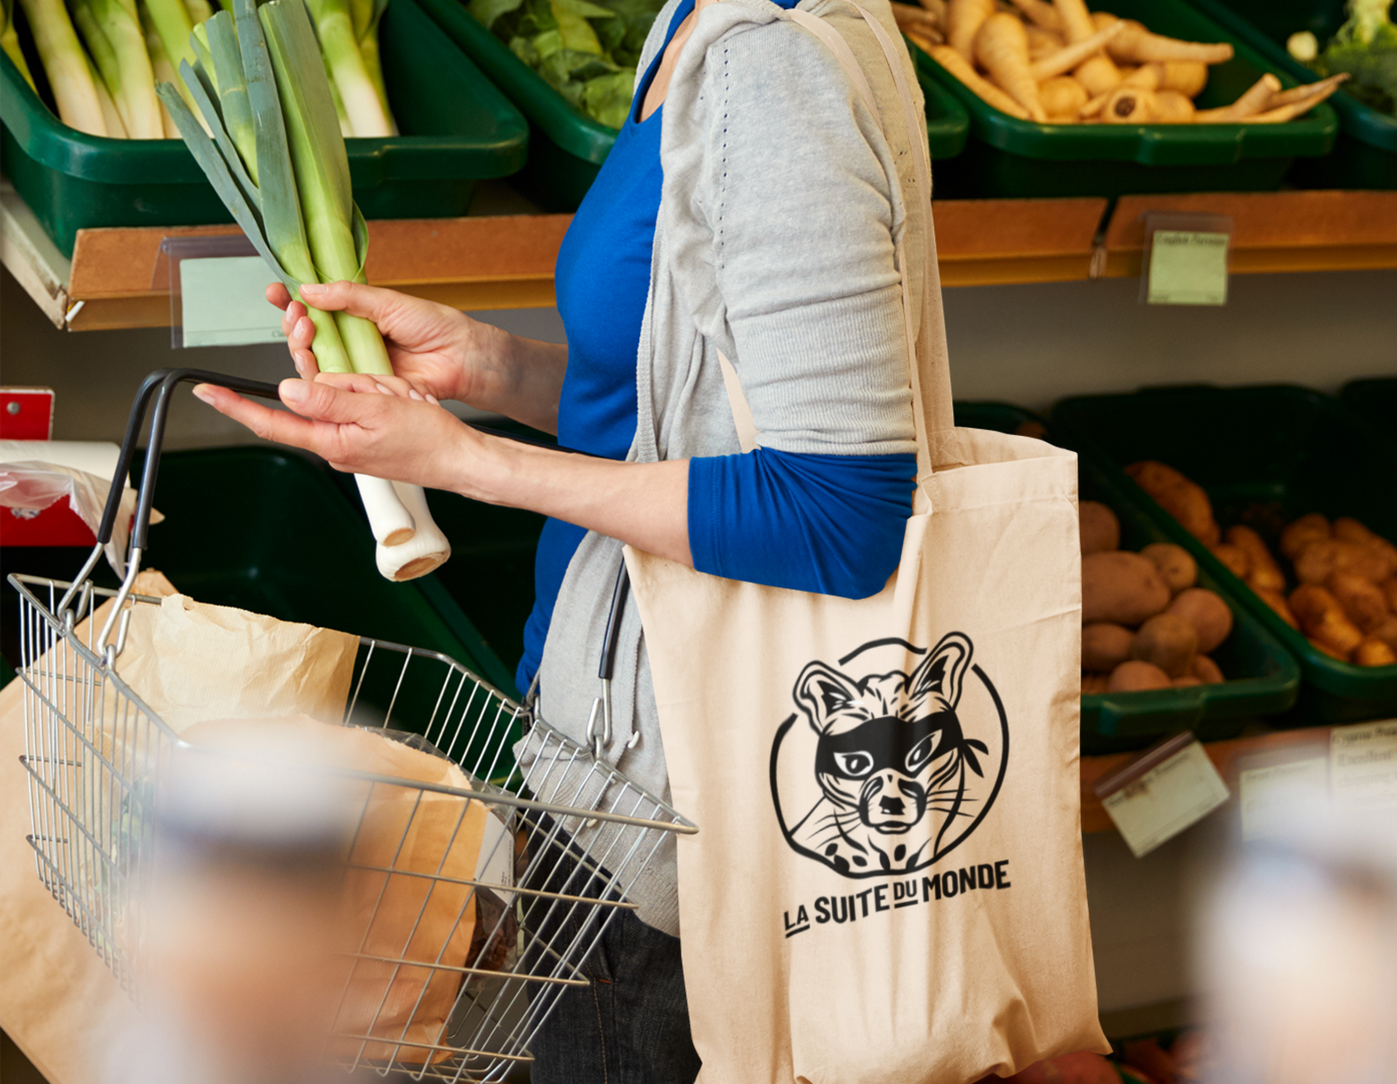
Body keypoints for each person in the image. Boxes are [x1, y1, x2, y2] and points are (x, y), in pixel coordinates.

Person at [192, 0, 936, 1078]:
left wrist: (460, 460)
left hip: (679, 801)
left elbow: (838, 512)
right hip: (604, 747)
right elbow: (692, 409)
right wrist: (486, 369)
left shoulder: (776, 67)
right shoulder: (696, 24)